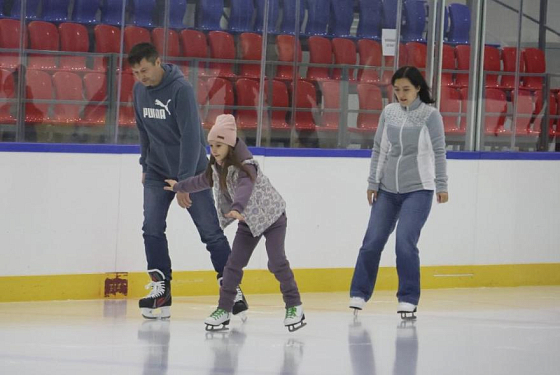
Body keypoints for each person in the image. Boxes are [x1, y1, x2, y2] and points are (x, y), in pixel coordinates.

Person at [128, 42, 248, 319]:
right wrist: (145, 163)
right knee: (152, 228)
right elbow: (143, 131)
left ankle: (232, 291)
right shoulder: (138, 91)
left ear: (158, 62)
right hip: (157, 171)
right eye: (136, 73)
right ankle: (162, 292)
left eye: (144, 70)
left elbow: (192, 139)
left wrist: (184, 182)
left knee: (210, 232)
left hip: (191, 173)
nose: (141, 77)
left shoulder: (180, 90)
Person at [164, 114, 306, 332]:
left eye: (219, 145)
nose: (214, 149)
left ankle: (294, 305)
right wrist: (179, 187)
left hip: (273, 218)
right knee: (232, 266)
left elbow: (244, 189)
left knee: (277, 261)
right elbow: (201, 181)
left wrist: (237, 208)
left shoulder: (247, 166)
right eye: (211, 145)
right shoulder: (217, 167)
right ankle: (224, 309)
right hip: (248, 222)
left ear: (230, 144)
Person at [349, 66, 449, 319]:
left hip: (418, 191)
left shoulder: (430, 115)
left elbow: (439, 151)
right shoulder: (389, 112)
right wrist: (373, 182)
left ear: (418, 88)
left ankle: (408, 298)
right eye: (396, 90)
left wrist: (442, 184)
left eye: (406, 89)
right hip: (387, 191)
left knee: (404, 243)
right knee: (371, 242)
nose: (401, 95)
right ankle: (359, 293)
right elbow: (380, 148)